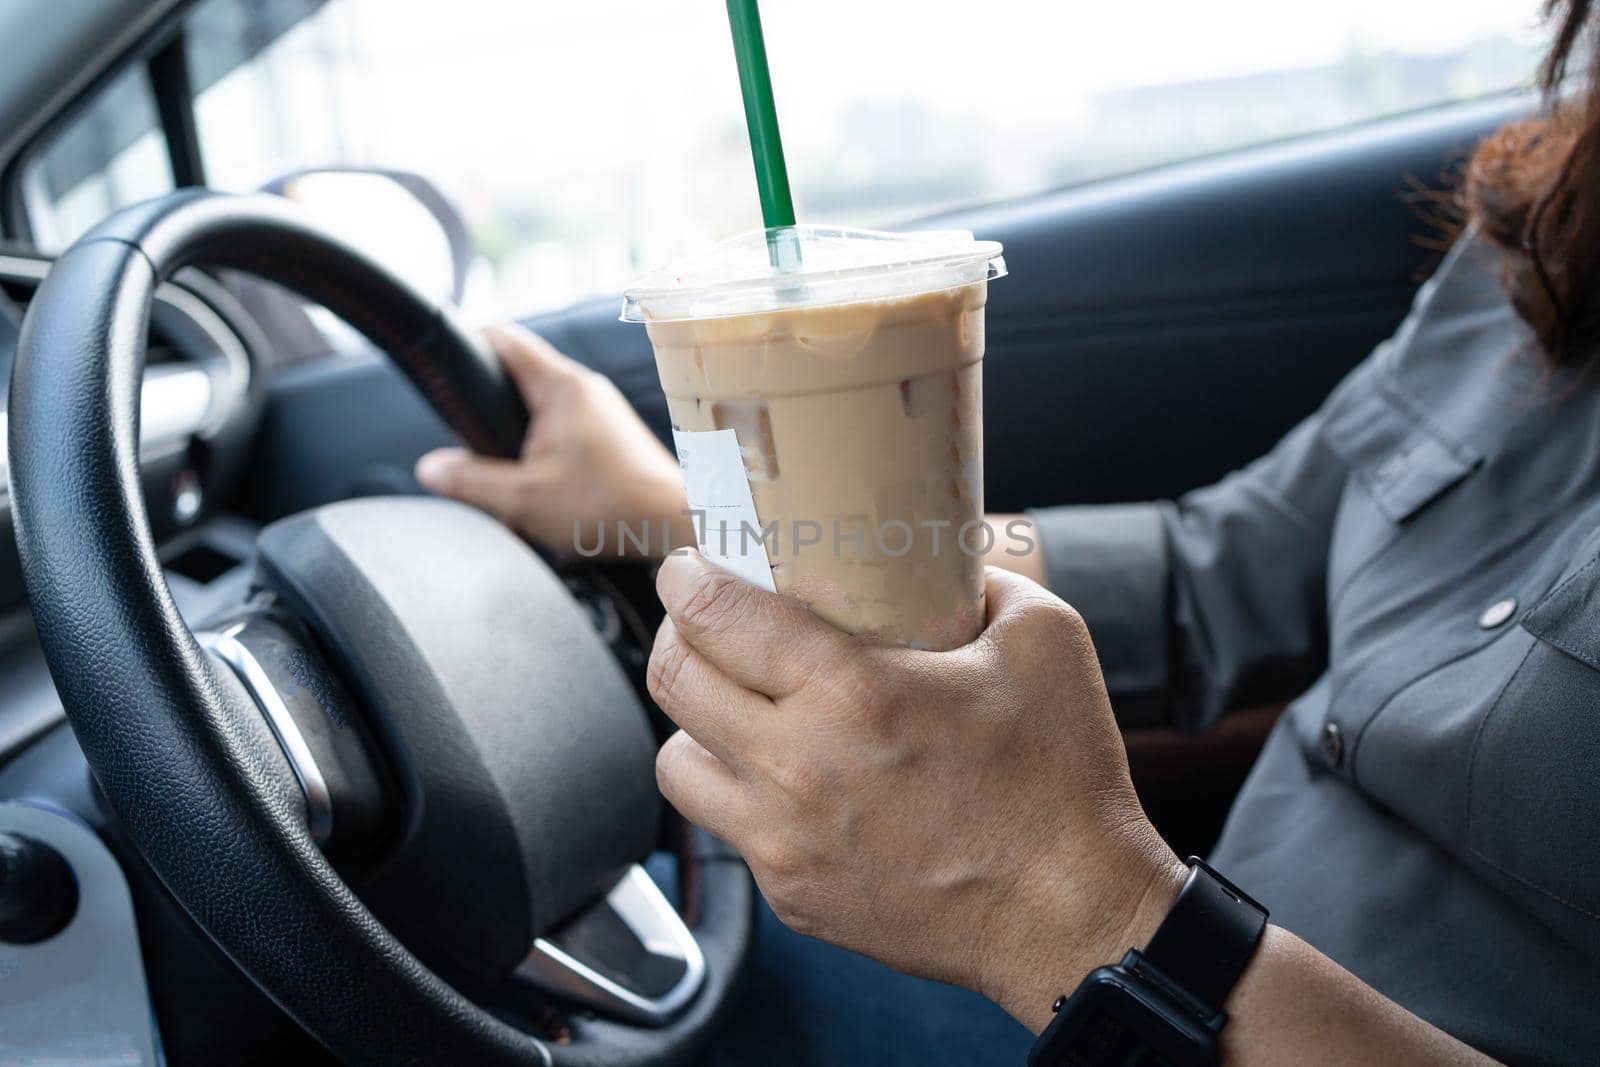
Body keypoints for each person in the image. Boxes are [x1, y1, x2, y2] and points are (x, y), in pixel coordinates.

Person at [415, 4, 1600, 1061]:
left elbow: (1082, 908)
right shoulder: (1560, 229)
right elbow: (1216, 570)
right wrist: (688, 509)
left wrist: (1063, 901)